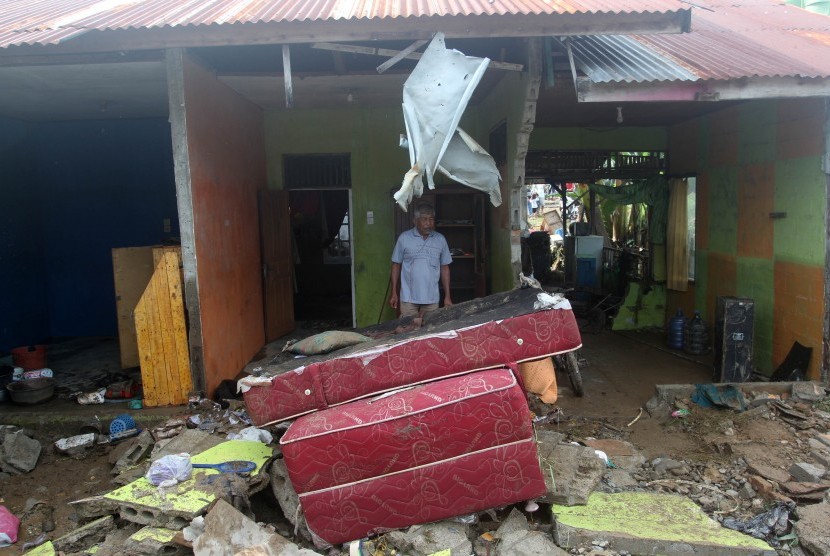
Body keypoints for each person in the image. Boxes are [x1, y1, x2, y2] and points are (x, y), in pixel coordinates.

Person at [389, 202, 453, 318]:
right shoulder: (404, 238)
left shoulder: (440, 240)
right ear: (415, 221)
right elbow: (396, 264)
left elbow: (445, 268)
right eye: (424, 219)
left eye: (431, 219)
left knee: (430, 330)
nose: (428, 223)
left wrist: (447, 296)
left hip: (432, 298)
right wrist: (394, 292)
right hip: (408, 298)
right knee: (408, 330)